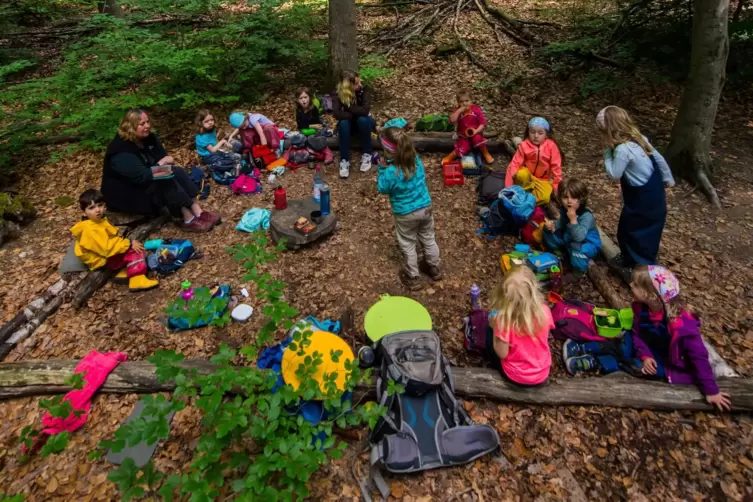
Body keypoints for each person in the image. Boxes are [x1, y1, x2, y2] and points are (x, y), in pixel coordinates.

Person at [563, 265, 732, 412]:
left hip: (667, 362)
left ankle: (595, 362)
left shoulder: (682, 325)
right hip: (649, 349)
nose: (631, 285)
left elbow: (699, 358)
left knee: (636, 367)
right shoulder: (642, 309)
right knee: (625, 344)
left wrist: (711, 391)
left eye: (636, 285)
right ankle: (588, 348)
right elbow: (637, 333)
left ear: (651, 296)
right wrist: (645, 355)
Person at [101, 109, 219, 232]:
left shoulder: (148, 138)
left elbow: (161, 157)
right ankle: (187, 219)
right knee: (163, 178)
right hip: (127, 194)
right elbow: (142, 176)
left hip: (146, 179)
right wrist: (161, 164)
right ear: (130, 127)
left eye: (147, 122)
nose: (147, 126)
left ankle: (197, 211)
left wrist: (163, 163)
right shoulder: (121, 151)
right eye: (142, 124)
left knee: (176, 171)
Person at [597, 106, 675, 269]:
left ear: (609, 130)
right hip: (655, 195)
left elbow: (614, 174)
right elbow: (659, 159)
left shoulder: (622, 150)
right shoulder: (640, 139)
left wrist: (606, 154)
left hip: (641, 200)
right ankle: (638, 261)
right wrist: (668, 178)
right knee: (648, 231)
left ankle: (637, 265)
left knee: (630, 230)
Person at [377, 126, 440, 290]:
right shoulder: (416, 161)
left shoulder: (391, 171)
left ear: (388, 151)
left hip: (405, 213)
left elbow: (383, 188)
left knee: (408, 243)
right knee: (428, 237)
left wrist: (382, 169)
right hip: (425, 207)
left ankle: (413, 276)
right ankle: (433, 267)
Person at [71, 189, 158, 291]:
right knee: (134, 251)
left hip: (106, 255)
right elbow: (107, 248)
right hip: (103, 260)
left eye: (100, 205)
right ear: (84, 213)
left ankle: (124, 273)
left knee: (134, 247)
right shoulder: (89, 229)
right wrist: (128, 244)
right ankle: (137, 280)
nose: (98, 210)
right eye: (92, 208)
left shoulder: (98, 221)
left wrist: (126, 243)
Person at [486, 266, 553, 386]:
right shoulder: (545, 312)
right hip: (542, 373)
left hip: (516, 376)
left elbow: (502, 354)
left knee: (489, 331)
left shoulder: (504, 321)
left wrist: (495, 329)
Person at [542, 177, 601, 275]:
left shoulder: (586, 216)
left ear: (581, 199)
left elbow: (580, 237)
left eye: (573, 198)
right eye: (565, 197)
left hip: (586, 243)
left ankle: (578, 272)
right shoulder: (564, 209)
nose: (569, 201)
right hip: (569, 237)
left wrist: (573, 220)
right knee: (546, 231)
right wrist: (552, 225)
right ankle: (561, 254)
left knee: (576, 249)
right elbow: (562, 223)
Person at [332, 70, 375, 178]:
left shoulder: (364, 90)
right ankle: (344, 160)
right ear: (348, 87)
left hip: (364, 124)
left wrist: (348, 107)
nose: (360, 85)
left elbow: (365, 111)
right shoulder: (337, 93)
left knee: (362, 119)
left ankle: (367, 153)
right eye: (356, 84)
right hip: (349, 124)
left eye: (359, 82)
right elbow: (337, 113)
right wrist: (353, 113)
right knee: (343, 123)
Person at [505, 117, 562, 191]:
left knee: (545, 197)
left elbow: (556, 167)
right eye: (532, 132)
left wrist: (556, 185)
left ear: (546, 135)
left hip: (543, 180)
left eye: (540, 133)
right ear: (528, 132)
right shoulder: (524, 145)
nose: (536, 136)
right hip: (527, 178)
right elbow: (514, 164)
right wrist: (509, 187)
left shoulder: (551, 146)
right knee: (521, 175)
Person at [442, 90, 494, 165]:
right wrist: (458, 111)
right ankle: (450, 156)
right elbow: (452, 120)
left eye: (467, 101)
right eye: (461, 101)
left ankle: (485, 153)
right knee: (462, 147)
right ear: (458, 103)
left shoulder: (476, 109)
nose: (464, 103)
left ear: (471, 101)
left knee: (478, 140)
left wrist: (476, 131)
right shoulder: (457, 110)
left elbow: (482, 123)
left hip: (475, 132)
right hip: (463, 135)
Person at [194, 109, 241, 173]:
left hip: (216, 152)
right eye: (206, 121)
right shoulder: (202, 136)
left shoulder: (211, 130)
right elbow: (212, 150)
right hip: (208, 156)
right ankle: (211, 167)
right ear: (200, 123)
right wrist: (223, 142)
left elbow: (214, 143)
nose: (210, 122)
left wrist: (224, 145)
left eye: (211, 120)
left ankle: (230, 162)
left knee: (237, 155)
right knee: (229, 162)